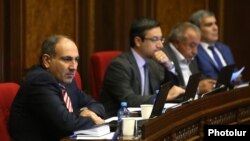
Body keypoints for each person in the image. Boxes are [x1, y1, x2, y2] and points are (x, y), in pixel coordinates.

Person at [9, 35, 105, 141]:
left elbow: (97, 105)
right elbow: (66, 124)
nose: (74, 67)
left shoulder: (66, 80)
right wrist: (91, 117)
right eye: (67, 59)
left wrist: (88, 112)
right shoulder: (39, 81)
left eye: (76, 60)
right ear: (47, 60)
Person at [100, 17, 185, 118]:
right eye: (155, 40)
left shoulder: (153, 64)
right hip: (119, 123)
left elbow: (172, 90)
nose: (160, 45)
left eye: (161, 39)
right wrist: (162, 97)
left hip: (145, 120)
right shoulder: (119, 66)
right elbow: (128, 100)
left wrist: (168, 65)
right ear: (138, 41)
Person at [163, 22, 216, 94]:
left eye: (197, 46)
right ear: (176, 43)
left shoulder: (190, 56)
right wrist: (197, 88)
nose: (195, 51)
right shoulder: (164, 58)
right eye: (192, 45)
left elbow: (200, 80)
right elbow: (170, 91)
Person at [189, 10, 237, 81]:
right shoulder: (193, 51)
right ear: (197, 29)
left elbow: (235, 73)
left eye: (215, 23)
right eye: (209, 25)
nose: (215, 28)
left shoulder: (225, 48)